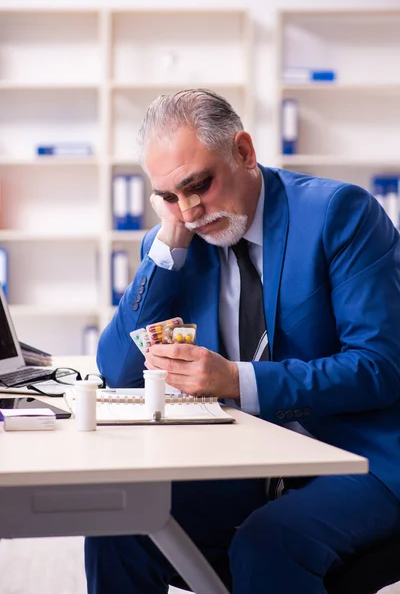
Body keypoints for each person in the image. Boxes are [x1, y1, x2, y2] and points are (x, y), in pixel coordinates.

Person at [85, 89, 400, 594]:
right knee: (118, 521)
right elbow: (118, 370)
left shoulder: (340, 214)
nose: (188, 210)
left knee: (264, 543)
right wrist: (166, 249)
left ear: (244, 152)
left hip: (357, 458)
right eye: (169, 196)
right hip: (247, 462)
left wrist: (235, 379)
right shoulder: (176, 244)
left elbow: (380, 366)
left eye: (198, 185)